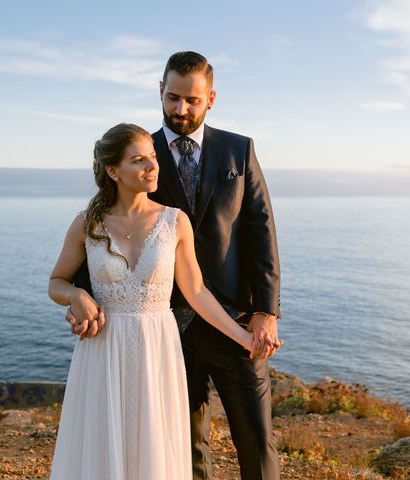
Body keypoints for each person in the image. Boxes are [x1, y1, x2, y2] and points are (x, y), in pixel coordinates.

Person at [69, 51, 282, 479]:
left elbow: (262, 233)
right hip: (163, 331)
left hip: (232, 318)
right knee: (181, 447)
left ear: (211, 98)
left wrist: (266, 312)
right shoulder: (138, 152)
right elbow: (104, 232)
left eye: (191, 100)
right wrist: (80, 298)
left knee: (258, 442)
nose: (180, 109)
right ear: (160, 92)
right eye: (171, 98)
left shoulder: (239, 150)